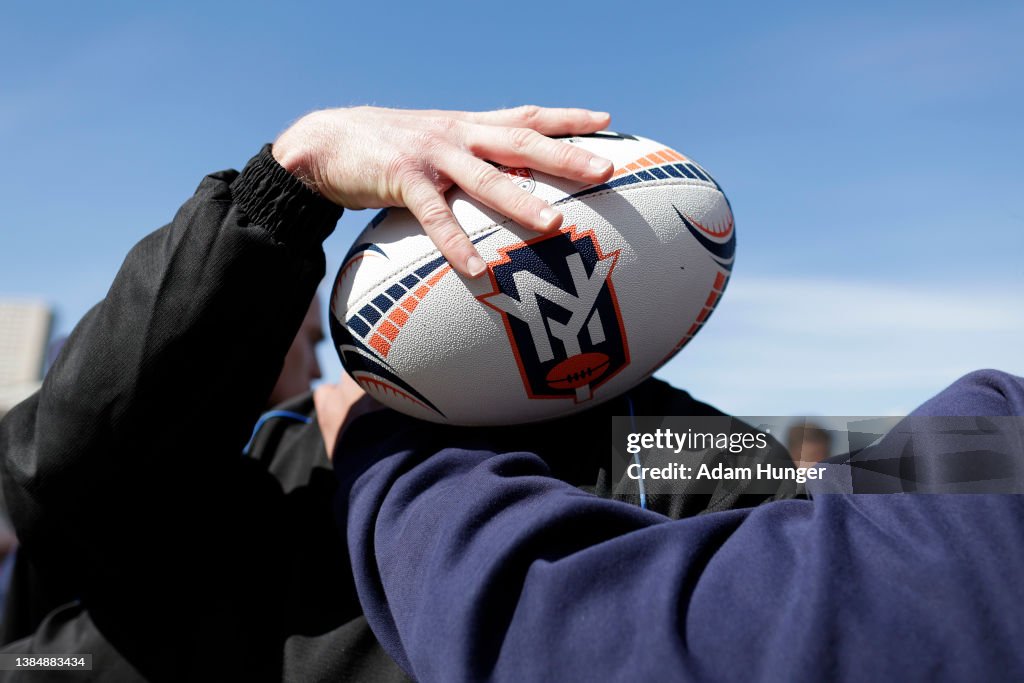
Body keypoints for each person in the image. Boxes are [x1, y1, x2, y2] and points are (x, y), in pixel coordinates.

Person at [1, 104, 799, 681]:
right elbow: (62, 471)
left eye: (321, 340)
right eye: (307, 339)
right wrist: (289, 181)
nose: (317, 367)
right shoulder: (264, 462)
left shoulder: (690, 455)